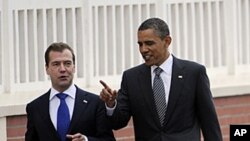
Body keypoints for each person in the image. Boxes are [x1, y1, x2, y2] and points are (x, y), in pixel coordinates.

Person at [100, 17, 223, 141]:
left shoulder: (194, 73)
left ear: (167, 41)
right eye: (140, 44)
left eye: (149, 43)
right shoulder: (131, 78)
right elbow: (118, 122)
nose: (143, 49)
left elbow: (209, 124)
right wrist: (111, 105)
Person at [25, 42, 116, 141]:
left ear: (74, 67)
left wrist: (86, 140)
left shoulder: (95, 103)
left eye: (67, 63)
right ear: (47, 69)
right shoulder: (35, 108)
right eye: (56, 64)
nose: (63, 69)